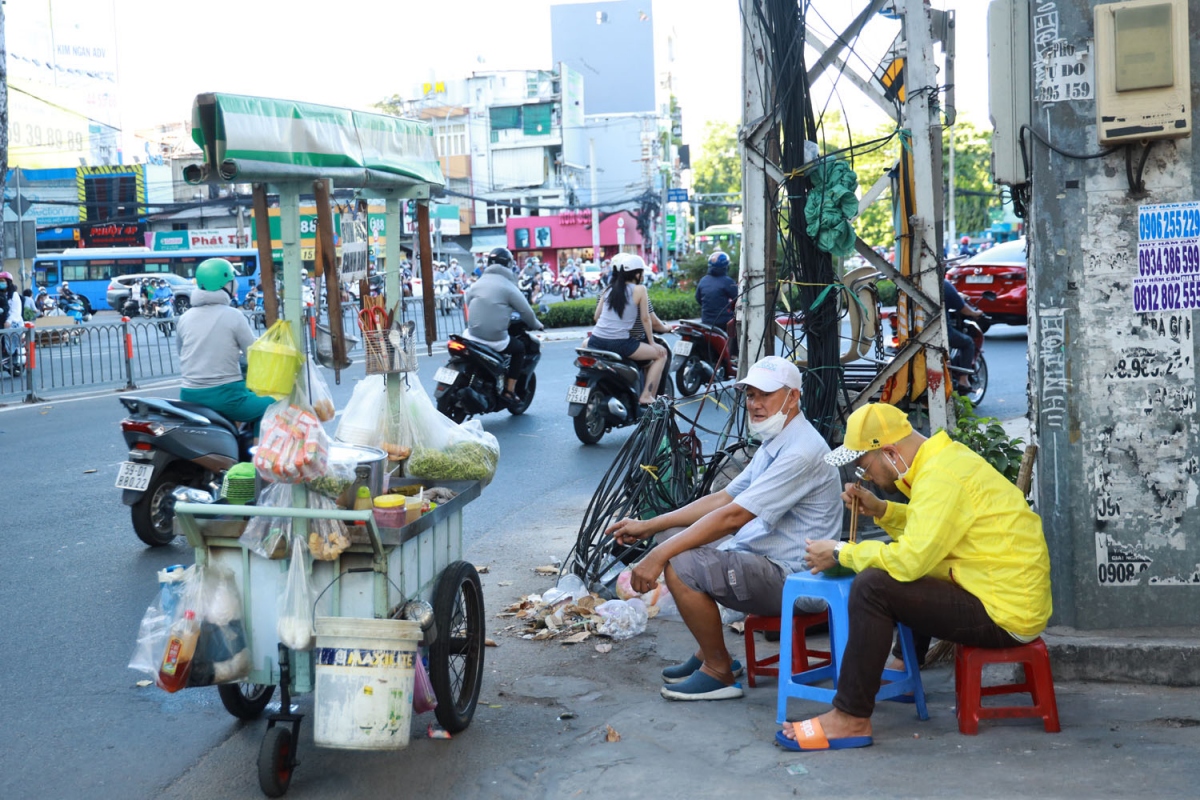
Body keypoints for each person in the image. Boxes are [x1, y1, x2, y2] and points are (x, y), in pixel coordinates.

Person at [778, 402, 1051, 751]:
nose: (866, 477)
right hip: (1002, 596)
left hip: (1005, 613)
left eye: (864, 466)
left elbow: (909, 560)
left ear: (889, 452)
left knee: (873, 586)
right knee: (902, 573)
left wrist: (839, 552)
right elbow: (931, 526)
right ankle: (902, 668)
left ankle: (850, 717)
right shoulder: (944, 461)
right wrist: (882, 509)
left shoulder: (940, 477)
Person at [605, 356, 843, 700]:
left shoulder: (801, 451)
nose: (755, 404)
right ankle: (710, 653)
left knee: (680, 564)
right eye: (750, 395)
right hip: (765, 562)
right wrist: (649, 527)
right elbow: (724, 498)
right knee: (675, 539)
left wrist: (658, 555)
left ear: (793, 398)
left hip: (794, 577)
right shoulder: (777, 441)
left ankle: (718, 669)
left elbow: (733, 517)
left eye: (765, 395)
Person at [176, 258, 274, 436]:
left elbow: (181, 352)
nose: (235, 284)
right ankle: (259, 460)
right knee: (273, 405)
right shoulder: (233, 315)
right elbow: (254, 355)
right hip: (224, 396)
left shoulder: (185, 317)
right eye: (232, 280)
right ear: (225, 284)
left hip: (188, 394)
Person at [462, 247, 544, 405]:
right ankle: (510, 391)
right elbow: (527, 312)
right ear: (508, 265)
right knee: (519, 349)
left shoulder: (478, 283)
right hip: (494, 339)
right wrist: (537, 324)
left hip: (471, 335)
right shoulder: (508, 287)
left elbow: (468, 302)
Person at [586, 253, 667, 405]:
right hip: (620, 343)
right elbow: (645, 319)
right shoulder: (640, 289)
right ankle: (647, 395)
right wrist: (652, 343)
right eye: (642, 272)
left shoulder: (609, 289)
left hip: (595, 341)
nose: (643, 275)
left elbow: (596, 317)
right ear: (637, 274)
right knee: (661, 355)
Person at [696, 251, 739, 358]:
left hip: (705, 321)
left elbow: (698, 298)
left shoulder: (703, 280)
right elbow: (738, 298)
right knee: (738, 328)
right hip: (722, 322)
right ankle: (733, 356)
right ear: (726, 267)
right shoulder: (727, 281)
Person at [943, 279, 984, 392]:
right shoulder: (944, 284)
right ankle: (963, 380)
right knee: (968, 342)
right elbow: (963, 308)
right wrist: (975, 313)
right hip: (942, 332)